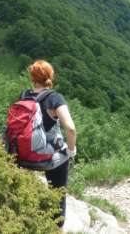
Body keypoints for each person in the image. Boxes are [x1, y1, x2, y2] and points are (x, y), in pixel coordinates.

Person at [24, 59, 76, 228]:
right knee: (58, 195)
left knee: (26, 193)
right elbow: (70, 128)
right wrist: (71, 150)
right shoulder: (54, 98)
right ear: (50, 77)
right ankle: (55, 229)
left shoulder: (24, 97)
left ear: (32, 78)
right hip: (49, 158)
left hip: (25, 156)